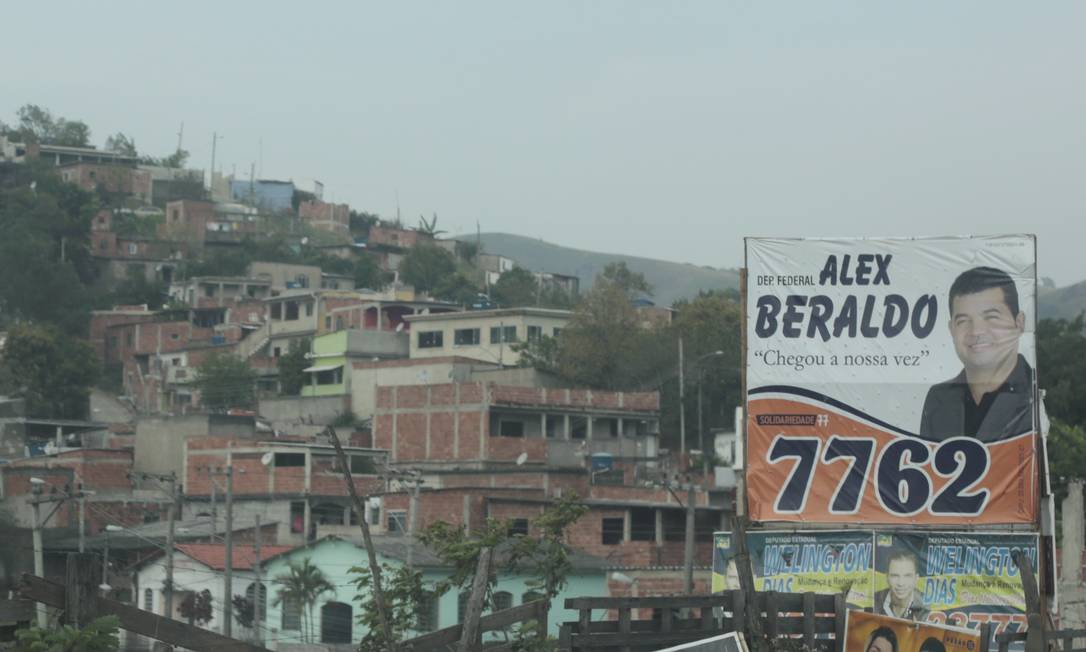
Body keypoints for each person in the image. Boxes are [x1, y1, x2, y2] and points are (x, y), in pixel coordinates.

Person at [919, 266, 1034, 442]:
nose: (976, 331)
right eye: (963, 321)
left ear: (1019, 323)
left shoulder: (1039, 392)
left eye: (991, 317)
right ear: (952, 330)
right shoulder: (938, 398)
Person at [874, 550, 928, 621]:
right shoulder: (874, 600)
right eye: (895, 576)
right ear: (887, 578)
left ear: (916, 579)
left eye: (907, 576)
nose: (901, 583)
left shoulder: (926, 605)